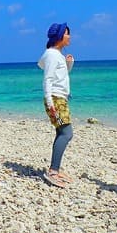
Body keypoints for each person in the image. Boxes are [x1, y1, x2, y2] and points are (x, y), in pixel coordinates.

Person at [38, 22, 75, 188]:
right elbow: (48, 79)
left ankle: (55, 169)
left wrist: (68, 64)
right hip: (56, 99)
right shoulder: (53, 55)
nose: (69, 36)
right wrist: (50, 101)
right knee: (67, 134)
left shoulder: (54, 54)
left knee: (61, 132)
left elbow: (60, 76)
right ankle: (53, 171)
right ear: (59, 36)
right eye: (67, 33)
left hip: (60, 98)